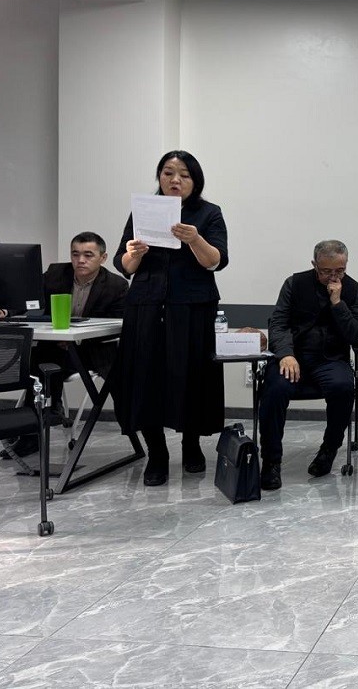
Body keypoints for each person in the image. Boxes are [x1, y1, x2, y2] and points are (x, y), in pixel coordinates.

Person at [113, 151, 228, 487]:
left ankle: (192, 445)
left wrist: (195, 239)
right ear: (159, 177)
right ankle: (157, 453)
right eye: (167, 173)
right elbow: (124, 265)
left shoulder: (209, 213)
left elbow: (217, 260)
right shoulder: (143, 210)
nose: (175, 180)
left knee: (192, 376)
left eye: (184, 175)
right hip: (146, 305)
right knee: (146, 378)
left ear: (195, 180)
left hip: (192, 307)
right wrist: (134, 254)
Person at [2, 232, 129, 458]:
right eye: (75, 254)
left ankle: (50, 412)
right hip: (54, 350)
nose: (80, 260)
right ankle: (33, 431)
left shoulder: (116, 285)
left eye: (88, 255)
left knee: (44, 364)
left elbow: (118, 324)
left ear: (103, 258)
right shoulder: (55, 274)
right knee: (36, 364)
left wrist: (77, 337)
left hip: (93, 351)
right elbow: (29, 300)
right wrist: (6, 311)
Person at [258, 240, 358, 490]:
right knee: (274, 389)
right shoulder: (294, 284)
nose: (333, 276)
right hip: (294, 356)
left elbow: (356, 334)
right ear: (314, 265)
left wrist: (338, 303)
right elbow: (279, 323)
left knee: (343, 387)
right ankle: (271, 461)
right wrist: (285, 354)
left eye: (340, 270)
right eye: (326, 271)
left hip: (330, 359)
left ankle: (329, 449)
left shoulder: (355, 291)